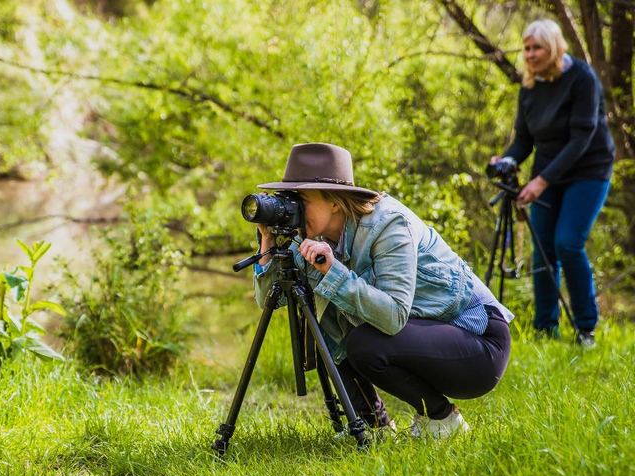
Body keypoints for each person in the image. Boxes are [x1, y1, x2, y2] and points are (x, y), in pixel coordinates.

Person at [253, 142, 513, 438]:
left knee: (365, 341)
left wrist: (332, 272)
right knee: (323, 323)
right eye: (291, 200)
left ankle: (442, 421)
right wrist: (266, 243)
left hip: (477, 342)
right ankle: (373, 425)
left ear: (335, 201)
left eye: (303, 200)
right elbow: (268, 300)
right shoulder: (311, 239)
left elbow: (392, 316)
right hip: (430, 337)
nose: (294, 210)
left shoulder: (388, 223)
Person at [492, 19, 614, 347]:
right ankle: (545, 329)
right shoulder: (530, 88)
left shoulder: (582, 79)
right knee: (542, 250)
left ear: (554, 48)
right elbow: (524, 142)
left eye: (537, 48)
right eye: (526, 48)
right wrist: (506, 161)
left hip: (588, 170)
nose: (529, 55)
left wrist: (541, 182)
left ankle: (586, 327)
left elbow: (581, 138)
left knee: (567, 243)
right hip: (549, 173)